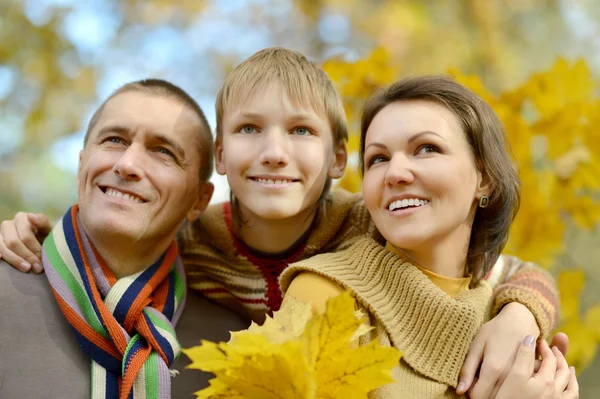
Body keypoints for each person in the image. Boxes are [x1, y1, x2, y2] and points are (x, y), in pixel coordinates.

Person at [0, 48, 562, 396]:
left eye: (300, 131)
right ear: (220, 159)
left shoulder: (375, 225)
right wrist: (44, 232)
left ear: (340, 162)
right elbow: (123, 224)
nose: (273, 152)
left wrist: (521, 315)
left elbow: (504, 268)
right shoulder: (192, 241)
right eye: (249, 130)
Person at [279, 75, 578, 397]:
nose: (394, 173)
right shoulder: (323, 296)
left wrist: (523, 314)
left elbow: (526, 273)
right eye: (378, 159)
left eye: (426, 149)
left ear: (485, 178)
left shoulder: (506, 311)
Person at [0, 79, 248, 398]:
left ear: (199, 201)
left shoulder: (232, 342)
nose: (127, 164)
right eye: (115, 139)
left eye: (163, 151)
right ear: (81, 165)